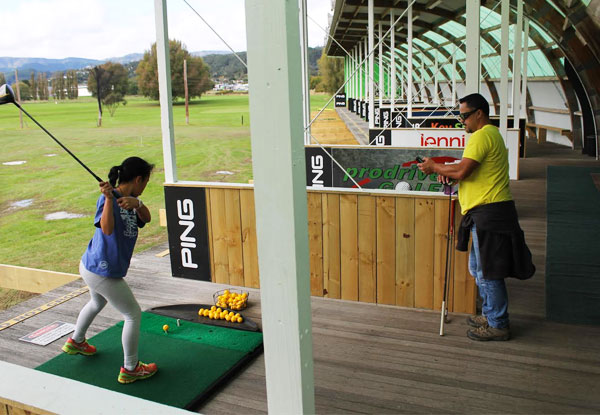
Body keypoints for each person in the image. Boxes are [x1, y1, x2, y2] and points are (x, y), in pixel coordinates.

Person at [418, 93, 535, 341]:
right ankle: (492, 314)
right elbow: (466, 171)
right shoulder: (489, 135)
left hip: (489, 214)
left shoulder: (481, 136)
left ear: (479, 113)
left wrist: (435, 167)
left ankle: (498, 324)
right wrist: (448, 172)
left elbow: (462, 169)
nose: (462, 121)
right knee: (478, 268)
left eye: (465, 115)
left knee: (489, 272)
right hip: (486, 213)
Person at [62, 156, 158, 383]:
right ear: (138, 179)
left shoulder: (131, 200)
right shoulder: (108, 199)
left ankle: (76, 341)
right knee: (132, 314)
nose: (145, 187)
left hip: (95, 266)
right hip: (101, 269)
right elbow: (106, 229)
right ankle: (131, 368)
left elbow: (148, 218)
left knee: (97, 302)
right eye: (146, 182)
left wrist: (139, 204)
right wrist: (108, 199)